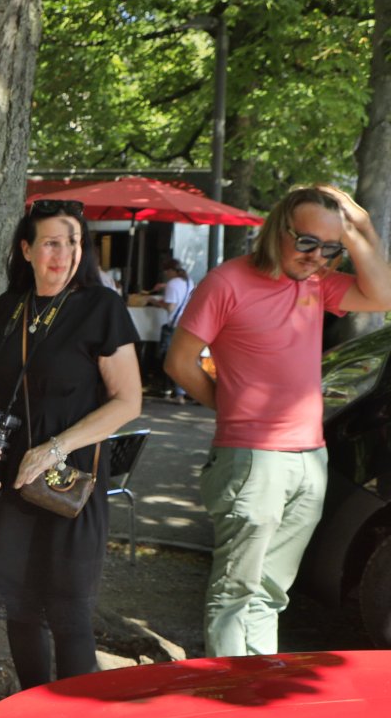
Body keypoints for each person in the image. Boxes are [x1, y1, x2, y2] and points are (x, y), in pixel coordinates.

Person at [166, 184, 391, 658]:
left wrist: (362, 229)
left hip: (310, 458)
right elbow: (180, 362)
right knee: (235, 592)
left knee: (271, 592)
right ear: (278, 228)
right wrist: (232, 408)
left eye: (330, 249)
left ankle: (260, 687)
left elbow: (384, 295)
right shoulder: (227, 282)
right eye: (307, 242)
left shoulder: (316, 283)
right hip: (252, 458)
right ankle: (230, 691)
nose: (317, 258)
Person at [0, 199, 143, 691]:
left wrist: (55, 448)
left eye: (73, 243)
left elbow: (128, 402)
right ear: (26, 249)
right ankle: (35, 712)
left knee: (69, 615)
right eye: (51, 243)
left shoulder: (101, 308)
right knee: (20, 610)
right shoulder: (9, 308)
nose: (63, 254)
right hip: (11, 479)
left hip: (68, 482)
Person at [147, 260, 192, 402]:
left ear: (171, 271)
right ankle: (183, 392)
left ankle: (172, 391)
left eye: (166, 272)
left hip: (174, 326)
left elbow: (170, 307)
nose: (165, 274)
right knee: (185, 358)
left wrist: (154, 301)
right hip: (187, 324)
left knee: (169, 359)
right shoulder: (188, 281)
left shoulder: (173, 284)